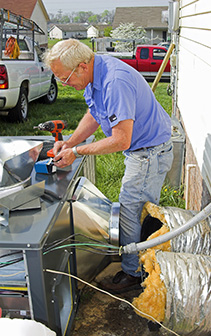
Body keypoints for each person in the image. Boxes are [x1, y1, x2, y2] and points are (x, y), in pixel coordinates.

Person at [44, 39, 173, 294]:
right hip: (142, 151)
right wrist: (69, 141)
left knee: (132, 212)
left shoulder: (115, 82)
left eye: (65, 78)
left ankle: (135, 274)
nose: (64, 84)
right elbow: (95, 114)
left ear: (82, 66)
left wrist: (76, 152)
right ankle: (139, 265)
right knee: (133, 210)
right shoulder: (95, 75)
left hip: (148, 153)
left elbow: (120, 139)